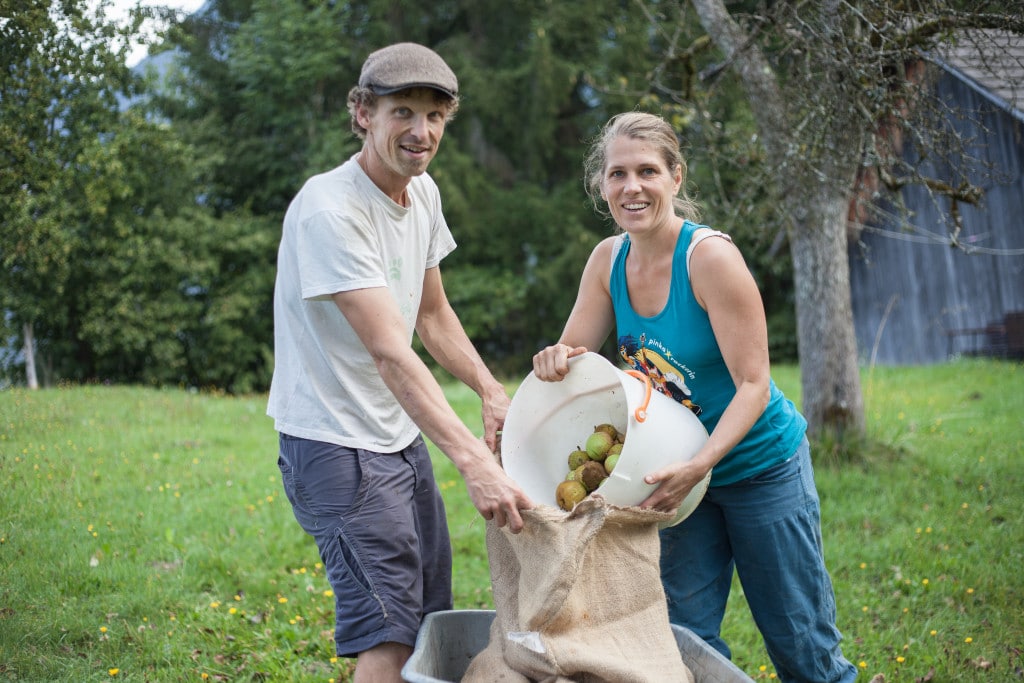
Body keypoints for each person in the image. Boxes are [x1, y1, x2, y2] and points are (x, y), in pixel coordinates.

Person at [531, 112, 857, 683]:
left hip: (759, 468)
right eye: (617, 174)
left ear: (676, 177)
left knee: (800, 642)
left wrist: (701, 464)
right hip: (671, 476)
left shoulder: (708, 259)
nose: (632, 187)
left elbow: (755, 384)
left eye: (647, 171)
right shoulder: (607, 261)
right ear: (601, 185)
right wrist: (553, 358)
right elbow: (575, 358)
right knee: (683, 642)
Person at [267, 42, 533, 683]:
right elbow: (390, 351)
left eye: (435, 116)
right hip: (334, 444)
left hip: (394, 437)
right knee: (387, 634)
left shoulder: (422, 192)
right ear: (362, 112)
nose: (421, 132)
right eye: (403, 112)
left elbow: (433, 315)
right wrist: (473, 460)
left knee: (423, 620)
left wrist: (491, 392)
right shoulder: (331, 209)